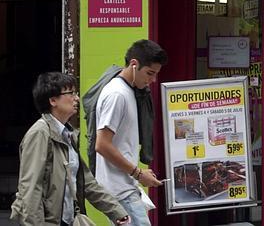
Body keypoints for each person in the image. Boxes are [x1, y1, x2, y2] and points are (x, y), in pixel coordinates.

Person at [10, 72, 130, 226]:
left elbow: (87, 183)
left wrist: (116, 212)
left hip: (68, 220)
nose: (77, 98)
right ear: (53, 100)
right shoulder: (40, 134)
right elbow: (31, 188)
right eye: (71, 93)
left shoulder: (67, 134)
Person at [95, 39, 168, 226]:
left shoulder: (128, 91)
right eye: (150, 73)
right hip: (121, 191)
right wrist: (137, 173)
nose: (152, 80)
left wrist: (138, 173)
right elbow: (102, 145)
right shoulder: (117, 94)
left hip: (125, 188)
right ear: (134, 64)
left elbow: (120, 143)